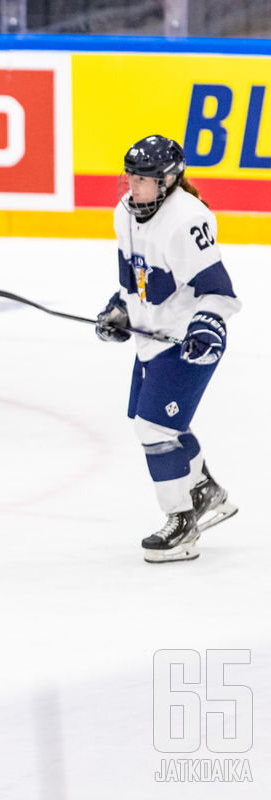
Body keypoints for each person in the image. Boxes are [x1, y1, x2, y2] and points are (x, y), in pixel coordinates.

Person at [95, 135, 240, 563]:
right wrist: (120, 310)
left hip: (188, 341)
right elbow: (134, 279)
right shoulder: (124, 213)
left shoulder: (187, 221)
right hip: (150, 338)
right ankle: (207, 492)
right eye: (131, 178)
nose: (133, 187)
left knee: (152, 428)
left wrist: (207, 328)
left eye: (143, 180)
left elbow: (219, 293)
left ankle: (182, 522)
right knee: (162, 425)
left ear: (169, 181)